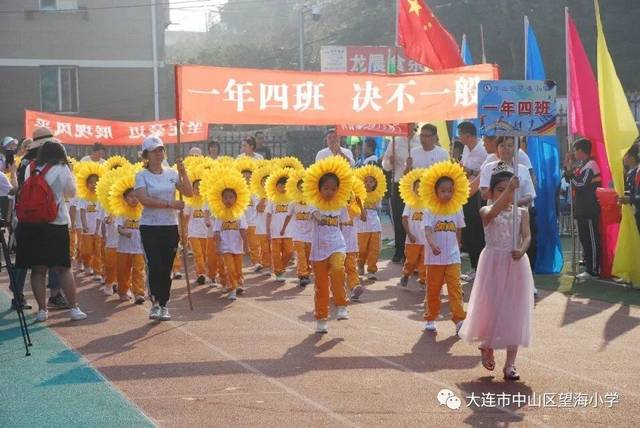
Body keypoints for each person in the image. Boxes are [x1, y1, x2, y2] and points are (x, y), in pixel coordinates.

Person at [458, 169, 534, 381]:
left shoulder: (522, 212)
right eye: (500, 190)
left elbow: (527, 236)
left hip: (516, 264)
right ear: (491, 192)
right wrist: (508, 190)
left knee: (514, 311)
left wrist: (522, 249)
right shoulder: (486, 210)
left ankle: (510, 363)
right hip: (493, 263)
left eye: (509, 190)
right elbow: (492, 214)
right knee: (492, 307)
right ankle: (487, 345)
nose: (507, 195)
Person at [15, 140, 87, 321]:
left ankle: (42, 310)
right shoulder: (62, 168)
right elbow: (71, 192)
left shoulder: (30, 167)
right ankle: (74, 308)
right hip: (56, 222)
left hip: (32, 223)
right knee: (63, 268)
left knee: (38, 270)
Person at [134, 136, 193, 321]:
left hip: (170, 226)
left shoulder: (171, 173)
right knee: (155, 264)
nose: (159, 154)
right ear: (146, 155)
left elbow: (189, 192)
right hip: (150, 226)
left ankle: (164, 304)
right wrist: (170, 204)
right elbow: (144, 200)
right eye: (154, 151)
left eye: (161, 150)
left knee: (166, 267)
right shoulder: (141, 175)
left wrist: (183, 172)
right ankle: (155, 303)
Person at [422, 176, 466, 335]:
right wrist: (433, 244)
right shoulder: (430, 209)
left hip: (453, 256)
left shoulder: (457, 207)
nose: (447, 194)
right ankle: (431, 317)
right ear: (436, 191)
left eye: (450, 190)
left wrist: (458, 246)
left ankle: (460, 320)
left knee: (455, 288)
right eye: (443, 191)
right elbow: (427, 230)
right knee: (433, 289)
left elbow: (459, 228)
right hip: (434, 258)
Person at [310, 174, 350, 334]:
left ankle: (341, 305)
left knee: (338, 270)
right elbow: (314, 214)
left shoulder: (340, 204)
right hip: (319, 250)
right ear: (319, 188)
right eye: (326, 188)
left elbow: (344, 222)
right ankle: (321, 318)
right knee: (321, 287)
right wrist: (320, 218)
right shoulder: (314, 202)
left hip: (337, 245)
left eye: (333, 188)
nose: (329, 191)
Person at [563, 138, 601, 281]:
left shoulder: (591, 165)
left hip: (589, 208)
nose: (573, 153)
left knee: (591, 239)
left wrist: (570, 173)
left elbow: (580, 184)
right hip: (582, 208)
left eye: (574, 151)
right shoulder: (583, 165)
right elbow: (570, 180)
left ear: (580, 151)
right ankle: (588, 267)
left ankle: (594, 270)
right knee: (585, 239)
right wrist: (568, 167)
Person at [381, 123, 419, 263]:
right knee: (398, 217)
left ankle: (414, 251)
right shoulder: (395, 141)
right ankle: (399, 250)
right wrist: (390, 162)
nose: (407, 126)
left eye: (410, 124)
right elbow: (384, 164)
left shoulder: (419, 141)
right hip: (399, 183)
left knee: (414, 218)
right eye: (405, 124)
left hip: (415, 185)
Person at [458, 122, 487, 283]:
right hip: (465, 193)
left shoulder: (483, 149)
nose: (459, 137)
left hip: (477, 196)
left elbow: (484, 174)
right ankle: (475, 267)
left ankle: (479, 269)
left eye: (460, 134)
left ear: (467, 134)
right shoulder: (466, 149)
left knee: (477, 233)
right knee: (468, 232)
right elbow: (464, 168)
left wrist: (469, 172)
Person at [213, 190, 249, 301]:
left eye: (231, 197)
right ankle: (232, 289)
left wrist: (246, 245)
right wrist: (218, 246)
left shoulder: (240, 213)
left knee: (238, 269)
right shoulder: (220, 214)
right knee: (230, 268)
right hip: (226, 247)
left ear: (236, 198)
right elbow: (216, 232)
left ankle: (239, 283)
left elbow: (243, 231)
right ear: (222, 199)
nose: (228, 200)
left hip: (237, 247)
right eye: (225, 198)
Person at [115, 189, 146, 305]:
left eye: (136, 196)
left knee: (139, 270)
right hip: (123, 248)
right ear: (125, 198)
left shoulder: (142, 212)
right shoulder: (121, 212)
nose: (134, 199)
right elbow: (118, 228)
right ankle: (123, 290)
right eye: (131, 196)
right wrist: (124, 232)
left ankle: (139, 293)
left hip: (138, 247)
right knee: (123, 270)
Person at [266, 176, 294, 283]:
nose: (283, 188)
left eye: (285, 186)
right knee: (276, 253)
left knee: (289, 252)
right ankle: (278, 272)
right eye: (281, 186)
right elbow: (268, 215)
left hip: (289, 231)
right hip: (275, 231)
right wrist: (268, 229)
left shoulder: (292, 199)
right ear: (276, 187)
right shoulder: (272, 199)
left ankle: (281, 268)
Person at [400, 182, 427, 288]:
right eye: (417, 187)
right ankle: (406, 274)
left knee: (424, 262)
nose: (420, 190)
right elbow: (404, 220)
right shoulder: (409, 203)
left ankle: (423, 280)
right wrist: (409, 234)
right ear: (413, 189)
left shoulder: (430, 204)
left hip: (426, 240)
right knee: (411, 261)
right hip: (412, 240)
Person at [619, 143, 640, 232]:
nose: (623, 157)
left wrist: (629, 199)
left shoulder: (637, 172)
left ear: (632, 157)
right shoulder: (630, 172)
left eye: (625, 155)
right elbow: (632, 191)